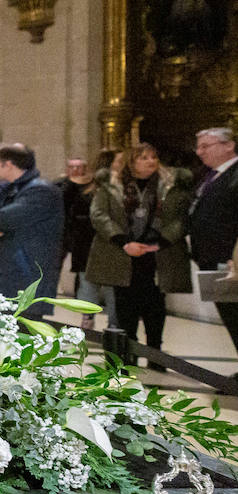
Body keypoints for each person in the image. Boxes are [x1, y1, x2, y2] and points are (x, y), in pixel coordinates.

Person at [85, 143, 192, 366]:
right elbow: (99, 215)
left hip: (157, 255)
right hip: (122, 255)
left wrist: (161, 242)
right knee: (125, 307)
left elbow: (181, 218)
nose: (151, 161)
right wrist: (124, 242)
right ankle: (127, 353)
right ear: (131, 162)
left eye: (153, 157)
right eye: (143, 158)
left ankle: (156, 354)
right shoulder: (112, 185)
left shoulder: (171, 185)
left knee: (155, 306)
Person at [0, 143, 64, 319]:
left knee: (23, 336)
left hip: (26, 277)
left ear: (8, 164)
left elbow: (1, 219)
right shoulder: (10, 189)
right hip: (6, 276)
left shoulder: (41, 191)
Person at [189, 127, 238, 352]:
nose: (199, 152)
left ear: (228, 145)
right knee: (230, 316)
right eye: (198, 147)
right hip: (211, 259)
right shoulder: (210, 175)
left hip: (230, 262)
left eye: (205, 146)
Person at [60, 155, 112, 329]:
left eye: (79, 167)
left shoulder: (101, 189)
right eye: (72, 167)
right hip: (82, 243)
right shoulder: (65, 186)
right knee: (86, 282)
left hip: (104, 242)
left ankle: (114, 323)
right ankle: (87, 320)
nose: (76, 171)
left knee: (110, 284)